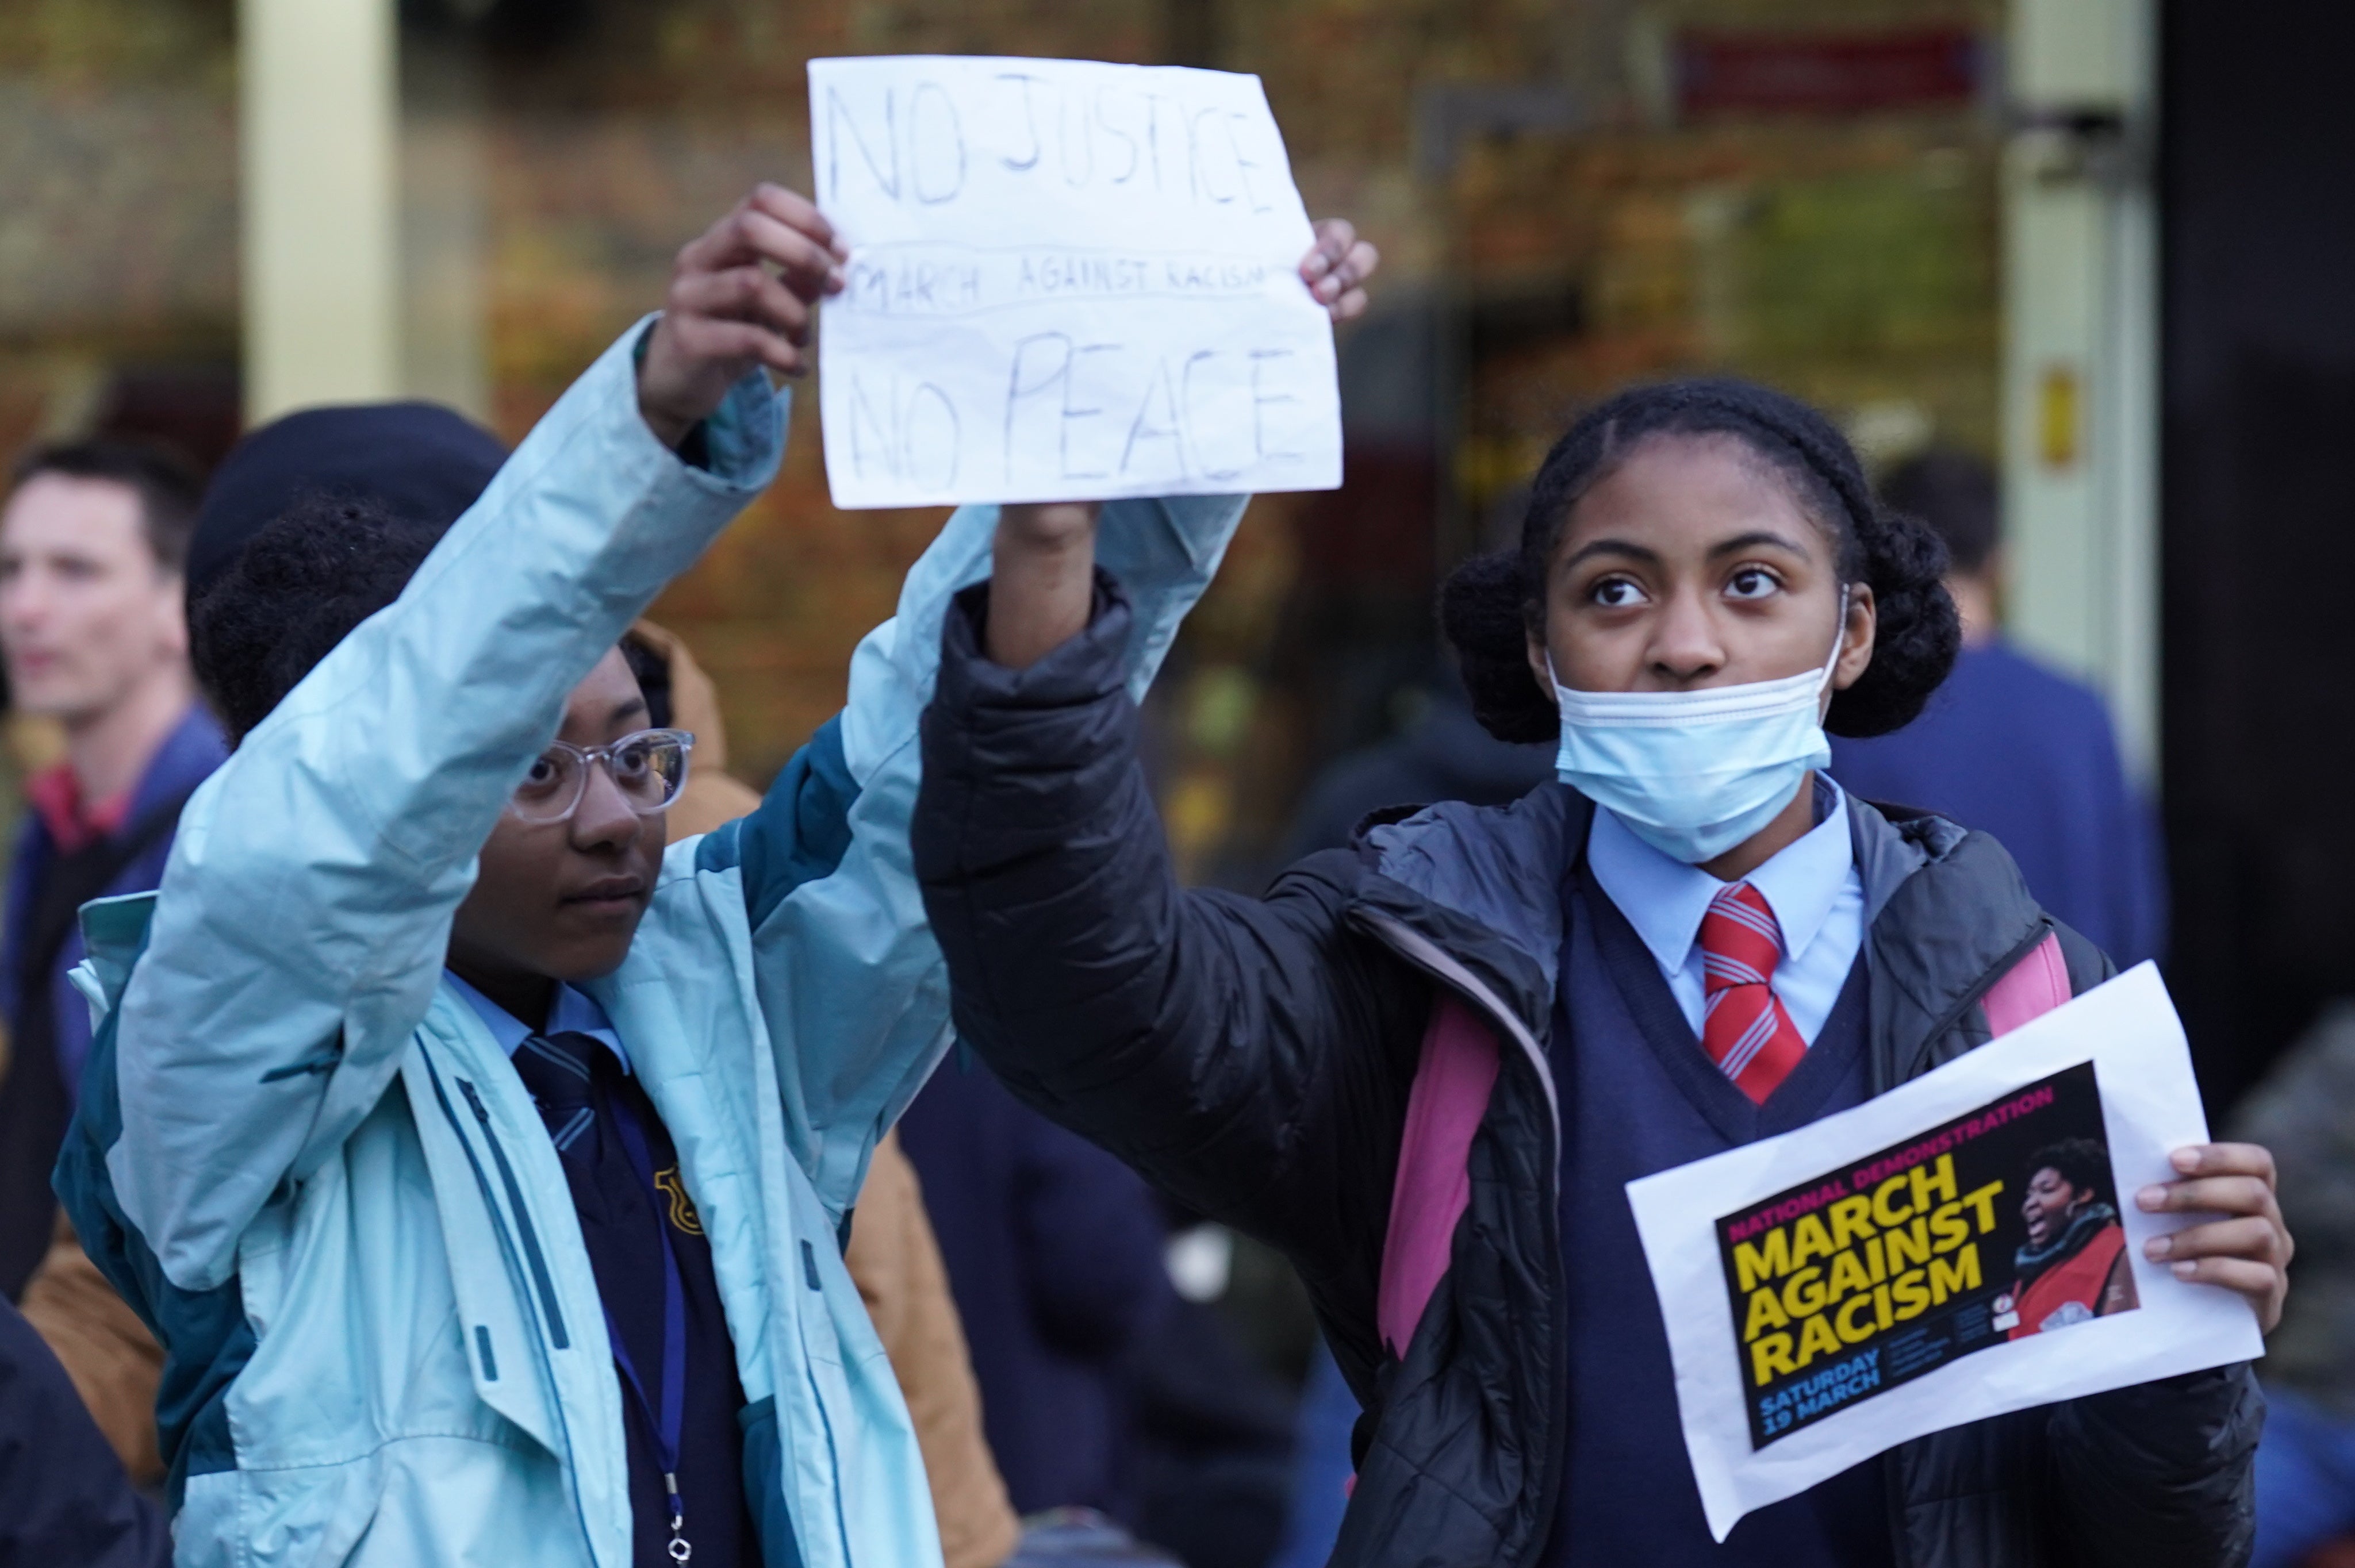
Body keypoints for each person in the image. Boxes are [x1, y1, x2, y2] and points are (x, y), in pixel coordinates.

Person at [53, 181, 1378, 1567]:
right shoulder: (216, 1069)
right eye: (528, 767)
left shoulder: (729, 996)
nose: (617, 816)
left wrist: (1185, 404)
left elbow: (932, 777)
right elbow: (350, 797)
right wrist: (649, 418)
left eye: (635, 753)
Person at [911, 379, 2285, 1566]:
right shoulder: (1412, 972)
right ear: (1539, 648)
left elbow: (2150, 1531)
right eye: (1613, 589)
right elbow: (1087, 985)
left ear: (1850, 632)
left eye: (1752, 582)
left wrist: (2189, 1347)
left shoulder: (2026, 995)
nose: (1685, 643)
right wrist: (1043, 550)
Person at [0, 439, 223, 1300]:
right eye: (12, 568)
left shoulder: (217, 834)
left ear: (178, 604)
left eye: (76, 571)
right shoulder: (49, 827)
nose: (25, 608)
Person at [1828, 449, 2166, 968]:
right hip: (2065, 1025)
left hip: (1898, 1036)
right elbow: (2134, 913)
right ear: (2003, 561)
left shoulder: (1847, 714)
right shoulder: (2077, 710)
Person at [1996, 1137, 2138, 1339]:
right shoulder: (2029, 1274)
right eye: (2029, 1195)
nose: (2029, 1204)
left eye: (2047, 1190)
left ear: (2082, 1195)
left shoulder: (2120, 1248)